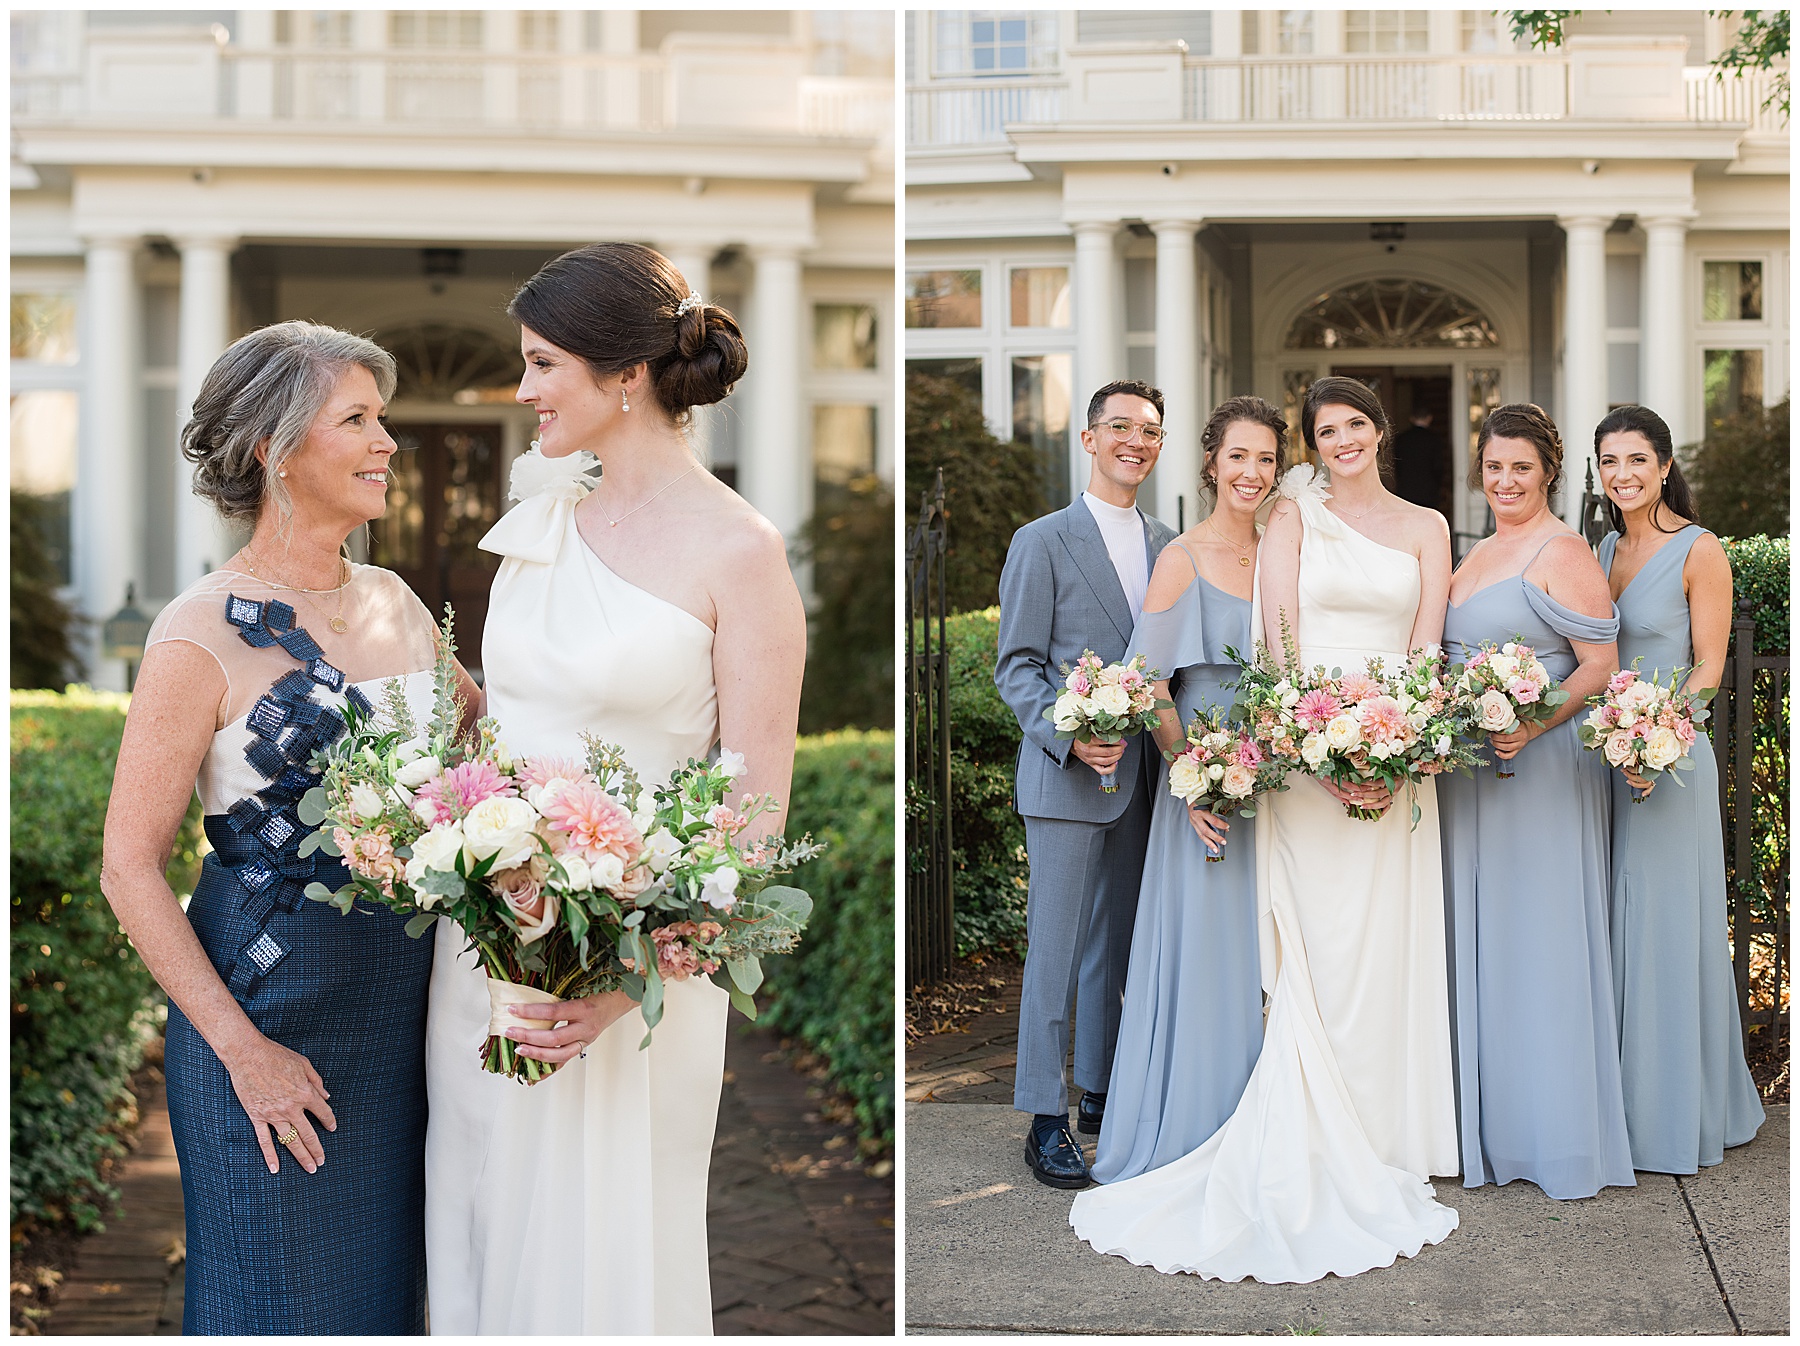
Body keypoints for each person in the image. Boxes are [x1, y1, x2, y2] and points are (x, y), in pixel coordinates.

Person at [423, 243, 804, 1334]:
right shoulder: (542, 522)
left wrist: (621, 972)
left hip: (637, 971)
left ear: (625, 374)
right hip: (487, 947)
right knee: (481, 1216)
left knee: (608, 1254)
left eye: (544, 364)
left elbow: (756, 813)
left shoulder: (741, 552)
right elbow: (503, 722)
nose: (525, 389)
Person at [101, 322, 480, 1333]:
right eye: (357, 419)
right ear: (273, 445)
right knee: (273, 1300)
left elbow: (480, 759)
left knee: (390, 1302)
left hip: (408, 1017)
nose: (387, 441)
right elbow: (129, 866)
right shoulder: (196, 629)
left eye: (384, 418)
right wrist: (242, 1049)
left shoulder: (399, 603)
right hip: (265, 1023)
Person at [1072, 375, 1459, 1282]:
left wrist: (1396, 746)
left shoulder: (1425, 527)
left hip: (1382, 749)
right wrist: (1320, 757)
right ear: (1213, 463)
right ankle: (1288, 1118)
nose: (1338, 441)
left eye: (1352, 424)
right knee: (1303, 944)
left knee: (1381, 944)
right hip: (1297, 758)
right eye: (1322, 431)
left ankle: (1383, 1129)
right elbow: (1269, 654)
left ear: (1378, 429)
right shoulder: (1277, 527)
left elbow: (1425, 645)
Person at [1437, 403, 1635, 1199]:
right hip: (1471, 777)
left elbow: (1598, 665)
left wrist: (1532, 720)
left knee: (1537, 943)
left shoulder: (1565, 551)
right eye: (1493, 467)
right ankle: (1483, 1125)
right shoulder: (1479, 549)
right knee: (1480, 939)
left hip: (1539, 774)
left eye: (1521, 467)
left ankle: (1547, 1134)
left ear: (1548, 471)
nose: (1505, 480)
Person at [1089, 396, 1285, 1186]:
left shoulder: (1282, 551)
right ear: (1211, 463)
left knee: (1273, 945)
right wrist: (1193, 778)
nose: (1252, 473)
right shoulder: (1185, 556)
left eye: (1267, 459)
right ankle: (1199, 1122)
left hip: (1280, 774)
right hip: (1206, 778)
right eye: (1239, 456)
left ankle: (1274, 1117)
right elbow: (1152, 685)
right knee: (1211, 946)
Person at [994, 379, 1177, 1189]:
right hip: (1067, 777)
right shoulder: (1042, 539)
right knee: (1057, 951)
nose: (1136, 441)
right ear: (1090, 439)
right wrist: (1075, 737)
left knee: (1119, 947)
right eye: (1121, 428)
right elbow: (1018, 667)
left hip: (1142, 776)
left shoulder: (1172, 543)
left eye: (1150, 431)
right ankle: (1044, 1114)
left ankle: (1100, 1090)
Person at [1594, 404, 1764, 1173]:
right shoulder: (1601, 548)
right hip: (1608, 757)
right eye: (1609, 462)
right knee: (1619, 923)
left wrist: (1657, 740)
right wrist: (1614, 737)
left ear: (1665, 466)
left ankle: (1684, 1113)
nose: (1622, 475)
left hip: (1671, 755)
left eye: (1636, 460)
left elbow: (1709, 663)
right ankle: (1623, 1104)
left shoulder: (1700, 550)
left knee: (1666, 928)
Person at [1391, 405, 1449, 515]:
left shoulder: (1402, 439)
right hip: (1428, 490)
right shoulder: (1434, 439)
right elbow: (1438, 466)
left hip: (1406, 489)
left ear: (1411, 418)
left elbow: (1397, 465)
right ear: (1429, 418)